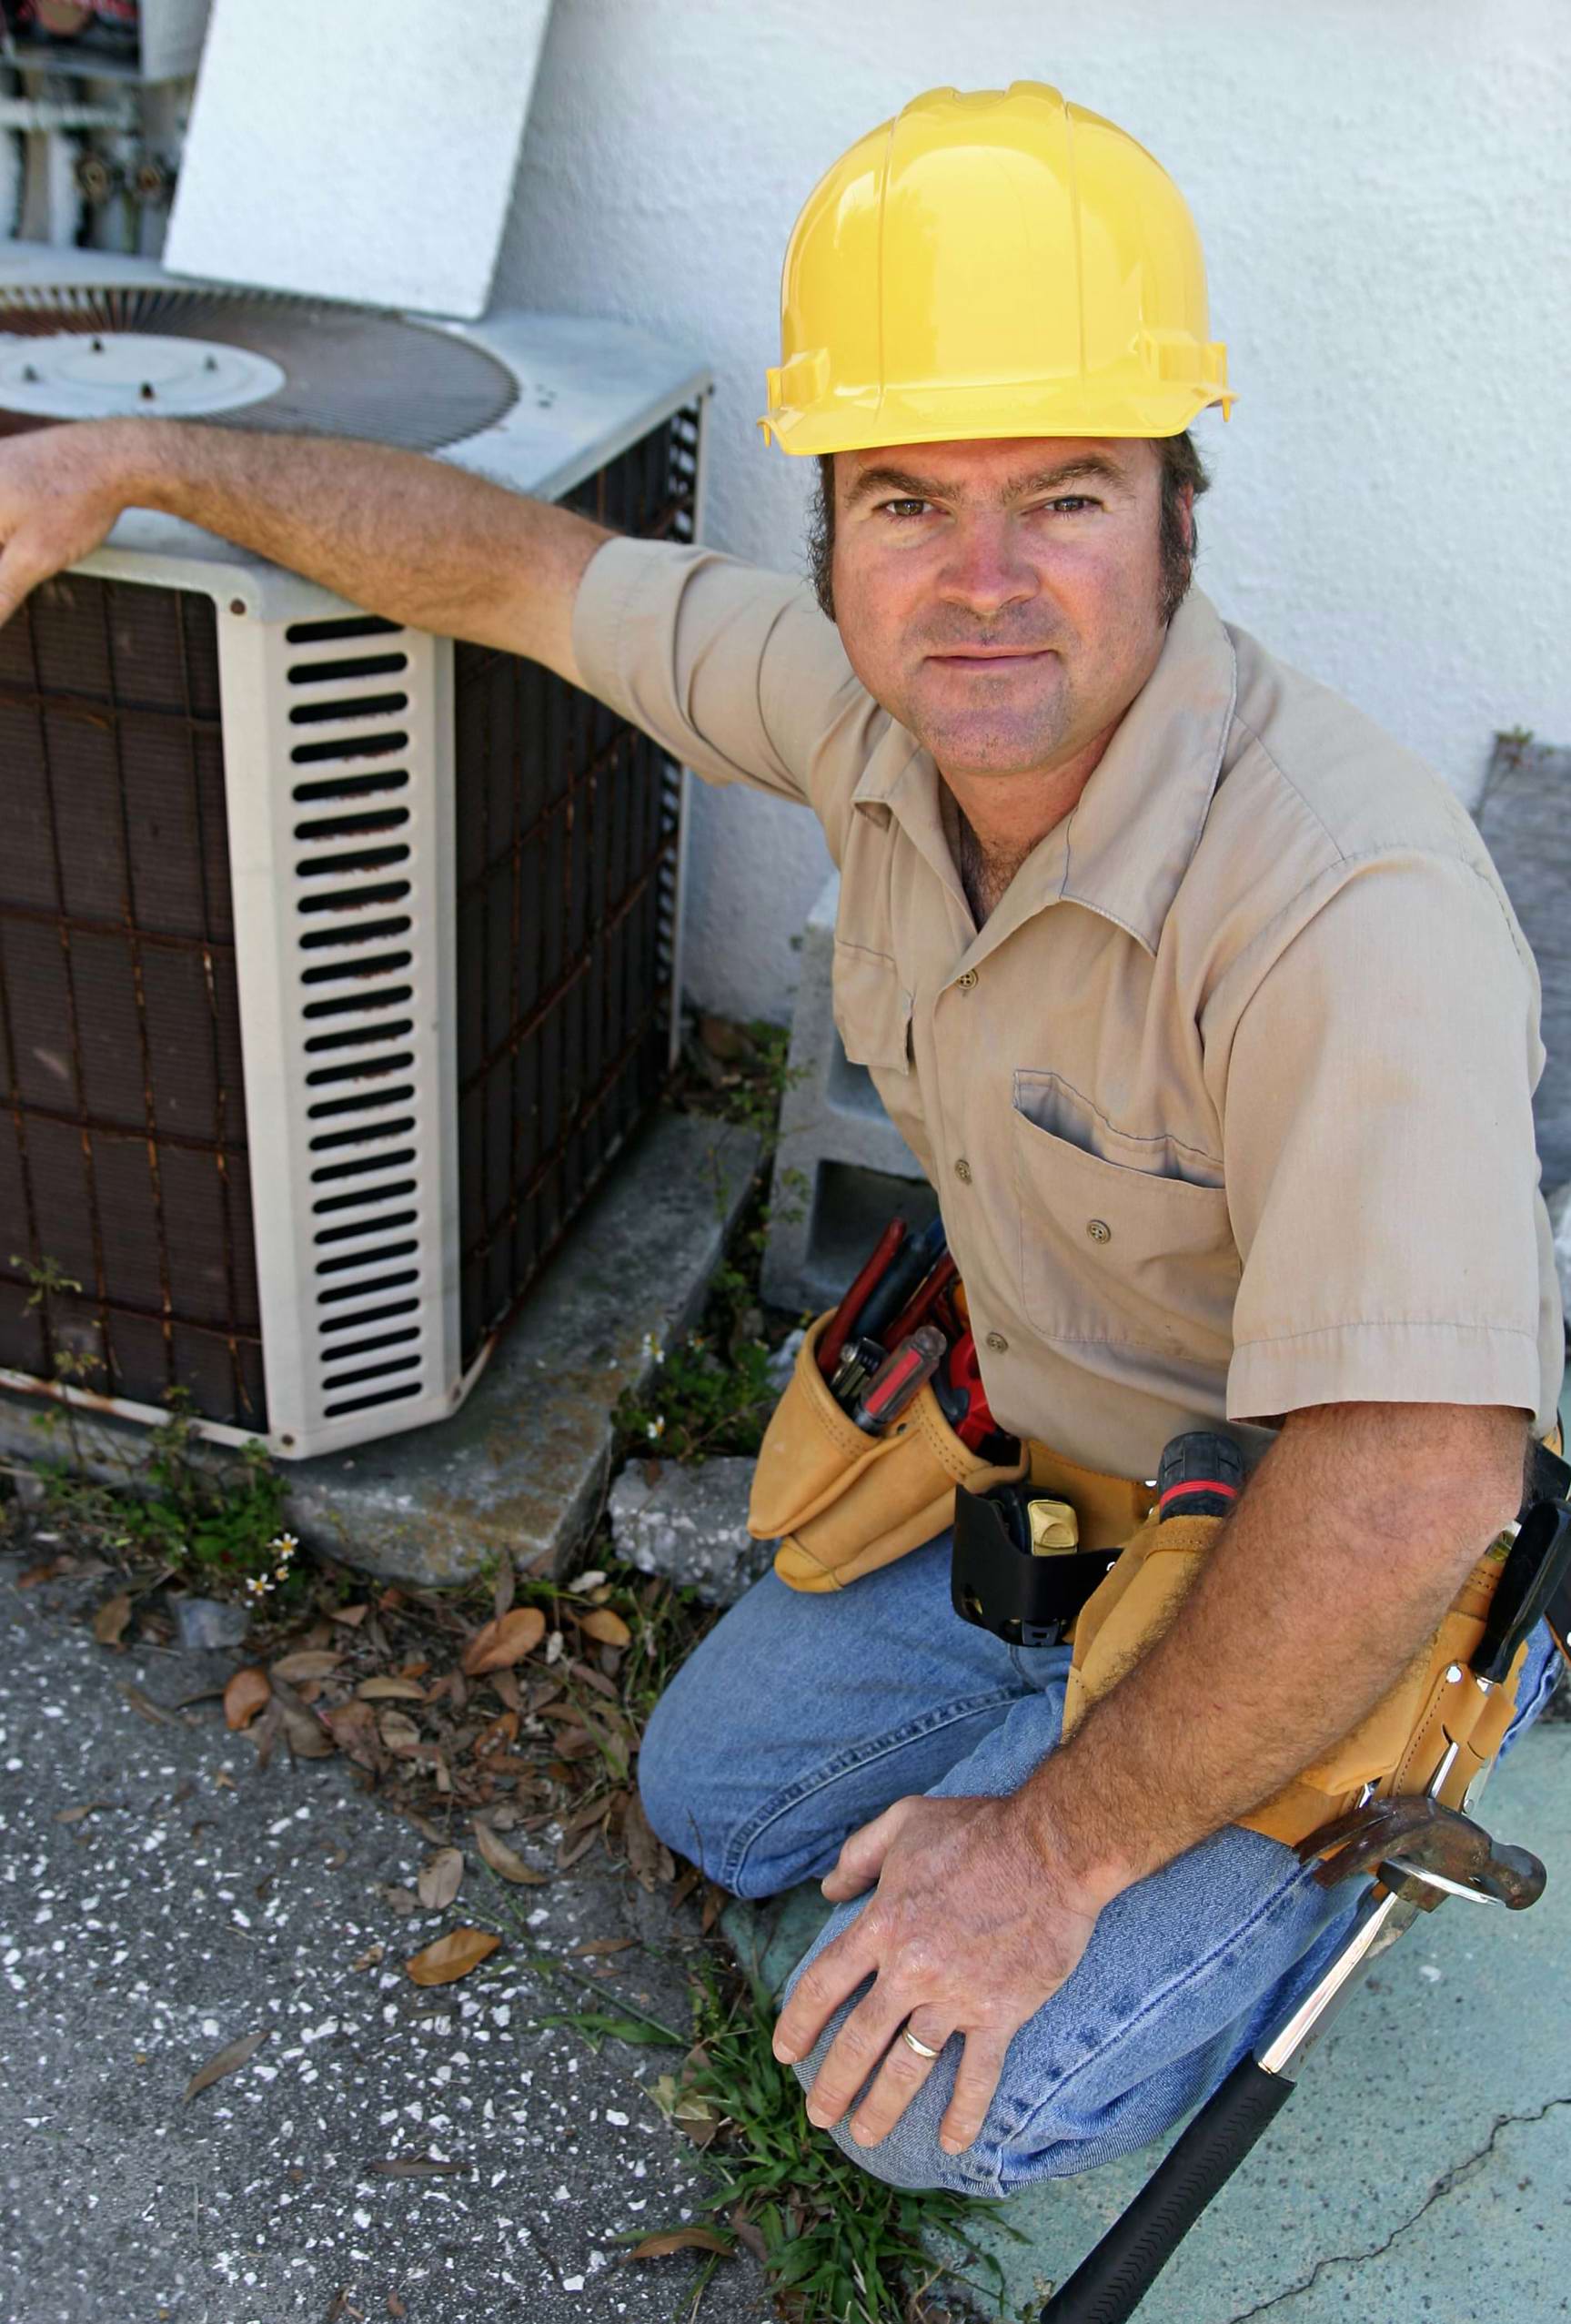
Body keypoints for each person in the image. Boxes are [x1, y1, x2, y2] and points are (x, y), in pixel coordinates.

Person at [0, 82, 1561, 2202]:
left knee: (930, 2097)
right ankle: (1063, 1725)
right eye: (910, 500)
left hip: (1330, 1556)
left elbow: (1418, 1469)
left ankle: (1301, 1854)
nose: (986, 583)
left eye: (1068, 497)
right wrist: (139, 451)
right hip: (1066, 1484)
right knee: (721, 1793)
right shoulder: (864, 715)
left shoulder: (1341, 910)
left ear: (1180, 517)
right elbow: (525, 570)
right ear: (829, 528)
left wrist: (1053, 1848)